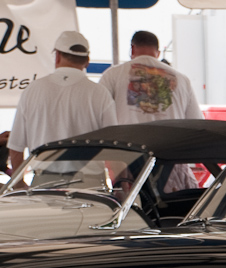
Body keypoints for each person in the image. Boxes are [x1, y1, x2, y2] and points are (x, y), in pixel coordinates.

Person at [7, 31, 117, 172]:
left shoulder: (32, 91)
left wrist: (19, 184)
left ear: (57, 56)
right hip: (90, 185)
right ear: (87, 61)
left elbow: (16, 147)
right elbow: (114, 147)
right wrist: (121, 185)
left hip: (44, 184)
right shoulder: (100, 94)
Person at [98, 31, 202, 124]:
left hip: (127, 143)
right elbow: (196, 121)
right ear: (158, 53)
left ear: (132, 49)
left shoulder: (112, 75)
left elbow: (99, 113)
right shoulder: (182, 80)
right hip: (169, 143)